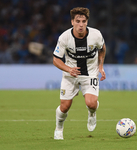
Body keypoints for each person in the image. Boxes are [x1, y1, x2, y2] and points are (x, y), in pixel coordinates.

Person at [53, 7, 106, 140]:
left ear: (87, 21)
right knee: (65, 107)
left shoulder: (96, 35)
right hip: (71, 74)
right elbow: (55, 59)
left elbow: (102, 49)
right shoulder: (64, 37)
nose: (81, 24)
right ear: (72, 22)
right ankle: (59, 128)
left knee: (91, 104)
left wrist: (100, 66)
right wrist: (68, 69)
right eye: (78, 21)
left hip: (90, 73)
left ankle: (92, 114)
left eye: (83, 21)